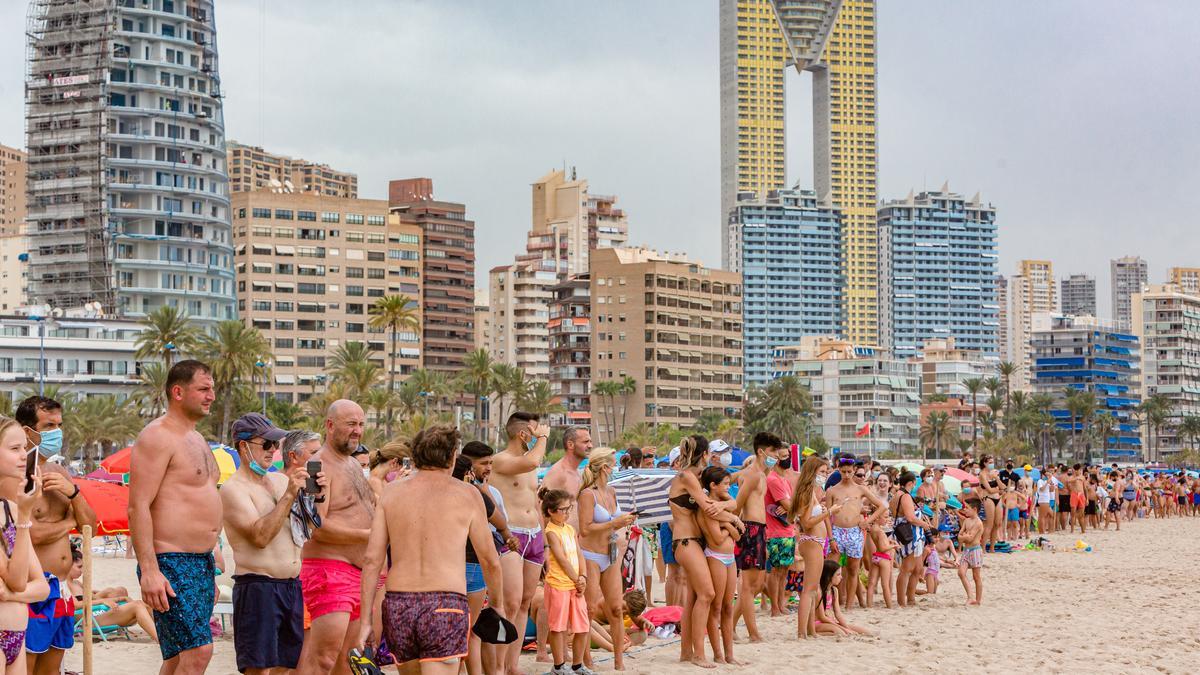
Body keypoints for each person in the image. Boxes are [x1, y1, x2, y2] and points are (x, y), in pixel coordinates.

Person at [357, 425, 504, 675]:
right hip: (445, 602)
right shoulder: (468, 494)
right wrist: (498, 605)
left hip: (399, 603)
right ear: (452, 456)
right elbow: (489, 560)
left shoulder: (392, 493)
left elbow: (372, 560)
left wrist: (366, 622)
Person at [129, 360, 222, 675]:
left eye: (212, 389)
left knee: (178, 657)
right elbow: (138, 505)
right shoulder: (158, 436)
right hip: (170, 561)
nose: (211, 396)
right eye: (204, 389)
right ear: (178, 391)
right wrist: (151, 571)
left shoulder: (196, 438)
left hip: (201, 562)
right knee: (199, 652)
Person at [221, 413, 315, 675]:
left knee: (286, 667)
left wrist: (317, 498)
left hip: (290, 585)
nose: (272, 451)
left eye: (275, 445)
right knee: (258, 668)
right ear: (243, 446)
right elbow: (260, 537)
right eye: (266, 444)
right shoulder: (233, 489)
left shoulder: (280, 480)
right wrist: (288, 497)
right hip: (258, 585)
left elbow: (306, 531)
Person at [16, 396, 97, 675]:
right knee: (26, 667)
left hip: (62, 589)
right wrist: (68, 523)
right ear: (28, 432)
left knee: (52, 670)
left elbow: (90, 529)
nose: (56, 433)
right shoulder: (16, 476)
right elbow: (29, 535)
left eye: (59, 425)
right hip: (33, 588)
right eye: (49, 426)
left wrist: (73, 493)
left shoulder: (60, 472)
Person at [297, 400, 374, 675]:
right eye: (351, 424)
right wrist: (369, 535)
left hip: (357, 574)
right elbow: (313, 526)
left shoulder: (353, 464)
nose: (357, 431)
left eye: (361, 424)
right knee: (323, 658)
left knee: (348, 659)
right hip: (330, 572)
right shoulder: (316, 465)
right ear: (330, 426)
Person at [667, 435, 739, 668]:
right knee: (707, 594)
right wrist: (733, 519)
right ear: (705, 454)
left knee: (694, 599)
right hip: (686, 541)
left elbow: (727, 503)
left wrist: (727, 507)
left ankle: (686, 652)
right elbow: (708, 509)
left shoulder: (696, 477)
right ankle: (699, 654)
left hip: (694, 541)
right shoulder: (686, 475)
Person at [489, 412, 550, 675]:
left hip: (533, 532)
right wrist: (544, 437)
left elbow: (535, 502)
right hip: (511, 533)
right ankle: (499, 666)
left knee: (525, 602)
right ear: (522, 434)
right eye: (534, 432)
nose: (538, 436)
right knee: (510, 603)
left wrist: (545, 540)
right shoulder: (502, 460)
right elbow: (534, 460)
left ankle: (512, 665)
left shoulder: (529, 463)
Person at [574, 448, 634, 672]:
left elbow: (613, 520)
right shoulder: (587, 494)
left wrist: (626, 519)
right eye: (613, 464)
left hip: (610, 553)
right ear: (605, 467)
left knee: (616, 608)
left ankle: (619, 660)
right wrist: (614, 524)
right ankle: (586, 659)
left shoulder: (612, 491)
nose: (616, 467)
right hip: (590, 554)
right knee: (588, 609)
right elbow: (585, 529)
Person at [0, 417, 50, 673]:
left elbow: (41, 586)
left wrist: (9, 595)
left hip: (16, 635)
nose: (24, 456)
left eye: (24, 449)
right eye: (14, 449)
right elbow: (20, 579)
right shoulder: (15, 513)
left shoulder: (9, 508)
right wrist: (24, 518)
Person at [730, 432, 775, 642]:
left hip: (759, 529)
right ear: (761, 451)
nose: (776, 456)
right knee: (748, 586)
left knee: (756, 585)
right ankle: (753, 633)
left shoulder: (762, 475)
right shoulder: (752, 474)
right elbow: (738, 504)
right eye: (773, 451)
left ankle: (729, 626)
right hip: (750, 529)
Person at [696, 467, 743, 666]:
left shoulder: (723, 505)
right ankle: (717, 654)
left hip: (729, 557)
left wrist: (728, 524)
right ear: (713, 486)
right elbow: (715, 538)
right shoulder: (708, 507)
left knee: (728, 607)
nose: (729, 486)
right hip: (715, 556)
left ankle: (730, 654)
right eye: (725, 484)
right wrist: (731, 526)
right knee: (715, 607)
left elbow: (739, 535)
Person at [787, 457, 838, 639]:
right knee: (808, 589)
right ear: (812, 472)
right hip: (812, 540)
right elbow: (807, 522)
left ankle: (810, 630)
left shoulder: (811, 493)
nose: (825, 475)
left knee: (812, 588)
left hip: (815, 541)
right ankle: (802, 632)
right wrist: (829, 512)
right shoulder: (807, 493)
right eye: (822, 472)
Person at [825, 461, 885, 610]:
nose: (846, 475)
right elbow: (826, 516)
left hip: (855, 532)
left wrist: (868, 521)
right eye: (843, 471)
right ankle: (831, 603)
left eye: (849, 472)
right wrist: (831, 537)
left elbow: (882, 506)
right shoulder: (832, 491)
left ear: (853, 471)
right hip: (837, 531)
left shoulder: (860, 489)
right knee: (831, 570)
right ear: (838, 470)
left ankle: (849, 606)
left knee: (853, 570)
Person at [762, 441, 796, 618]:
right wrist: (792, 507)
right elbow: (789, 505)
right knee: (776, 571)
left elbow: (791, 506)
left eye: (788, 455)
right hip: (776, 532)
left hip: (787, 530)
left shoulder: (784, 480)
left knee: (784, 571)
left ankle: (780, 604)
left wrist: (792, 507)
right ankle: (775, 607)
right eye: (783, 456)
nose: (787, 459)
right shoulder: (773, 479)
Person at [892, 472, 933, 607]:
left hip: (909, 533)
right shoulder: (905, 496)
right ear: (911, 483)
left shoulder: (897, 495)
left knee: (917, 568)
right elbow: (910, 517)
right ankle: (902, 601)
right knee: (907, 568)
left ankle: (910, 599)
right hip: (910, 534)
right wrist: (924, 524)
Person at [812, 561, 872, 637]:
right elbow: (822, 617)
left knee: (865, 631)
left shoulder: (834, 590)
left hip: (830, 622)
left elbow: (838, 613)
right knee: (840, 632)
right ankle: (813, 633)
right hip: (817, 623)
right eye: (838, 575)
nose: (841, 577)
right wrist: (843, 629)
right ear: (828, 576)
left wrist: (846, 627)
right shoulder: (819, 591)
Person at [955, 498, 985, 605]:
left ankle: (978, 600)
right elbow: (959, 537)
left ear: (975, 509)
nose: (965, 510)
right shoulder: (966, 521)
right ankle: (970, 596)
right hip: (966, 550)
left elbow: (970, 538)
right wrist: (964, 537)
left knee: (976, 576)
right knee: (961, 572)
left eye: (967, 508)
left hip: (975, 550)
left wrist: (964, 537)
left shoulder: (978, 523)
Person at [1067, 464, 1087, 534]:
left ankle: (1083, 530)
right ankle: (1072, 530)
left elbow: (1085, 488)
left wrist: (1087, 499)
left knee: (1081, 514)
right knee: (1073, 513)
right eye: (1077, 470)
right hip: (1074, 494)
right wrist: (1076, 478)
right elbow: (1069, 481)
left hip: (1081, 495)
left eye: (1079, 470)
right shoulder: (1071, 477)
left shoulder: (1083, 477)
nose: (1078, 471)